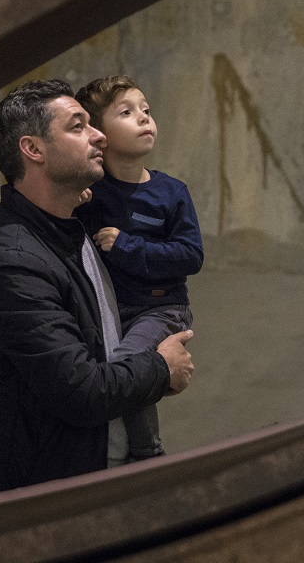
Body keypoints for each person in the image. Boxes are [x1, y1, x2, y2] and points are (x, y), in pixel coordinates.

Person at [0, 79, 194, 496]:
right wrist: (160, 368)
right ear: (33, 150)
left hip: (100, 473)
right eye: (78, 126)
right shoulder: (11, 262)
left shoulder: (71, 224)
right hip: (49, 498)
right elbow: (81, 391)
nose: (99, 134)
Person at [74, 75, 204, 461]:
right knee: (111, 371)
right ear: (99, 134)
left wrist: (128, 245)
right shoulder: (93, 194)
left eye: (146, 110)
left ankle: (148, 452)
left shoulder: (171, 192)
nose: (144, 118)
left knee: (127, 366)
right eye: (127, 113)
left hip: (161, 309)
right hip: (112, 312)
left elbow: (190, 255)